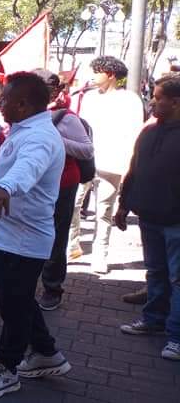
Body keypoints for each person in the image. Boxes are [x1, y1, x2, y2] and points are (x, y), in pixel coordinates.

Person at [0, 72, 71, 398]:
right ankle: (45, 352)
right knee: (19, 300)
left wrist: (5, 186)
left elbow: (29, 167)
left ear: (23, 104)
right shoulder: (25, 129)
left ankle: (6, 369)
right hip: (5, 236)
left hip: (20, 241)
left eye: (5, 99)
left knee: (13, 307)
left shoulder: (39, 137)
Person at [117, 73, 180, 362]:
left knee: (178, 279)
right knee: (155, 272)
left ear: (175, 102)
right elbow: (134, 170)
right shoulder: (149, 132)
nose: (152, 103)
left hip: (176, 222)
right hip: (149, 217)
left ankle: (176, 337)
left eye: (157, 98)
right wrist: (123, 205)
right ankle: (153, 320)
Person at [73, 56, 144, 274]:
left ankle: (100, 255)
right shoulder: (88, 98)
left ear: (111, 74)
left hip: (112, 164)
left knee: (103, 211)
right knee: (73, 204)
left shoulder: (130, 100)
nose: (93, 76)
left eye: (97, 72)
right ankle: (72, 246)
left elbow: (135, 135)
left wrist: (129, 168)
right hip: (85, 162)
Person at [33, 69, 93, 311]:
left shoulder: (66, 117)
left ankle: (52, 288)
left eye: (43, 89)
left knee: (56, 237)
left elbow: (86, 150)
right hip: (32, 184)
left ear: (55, 91)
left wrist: (54, 138)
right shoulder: (25, 114)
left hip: (62, 185)